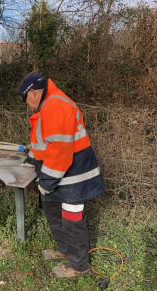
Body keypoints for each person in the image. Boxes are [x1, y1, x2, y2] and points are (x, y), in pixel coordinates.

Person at [17, 73, 105, 279]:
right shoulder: (46, 106)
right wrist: (32, 157)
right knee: (53, 211)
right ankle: (64, 249)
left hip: (74, 175)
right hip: (60, 175)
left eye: (25, 99)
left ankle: (79, 266)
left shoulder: (56, 105)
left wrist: (46, 181)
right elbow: (44, 142)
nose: (25, 104)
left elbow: (59, 152)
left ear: (33, 92)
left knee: (71, 220)